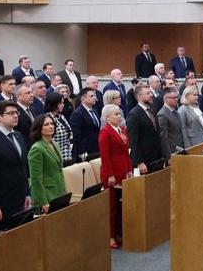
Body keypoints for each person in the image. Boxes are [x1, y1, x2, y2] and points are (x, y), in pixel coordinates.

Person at [98, 104, 132, 248]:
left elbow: (126, 152)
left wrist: (129, 169)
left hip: (123, 170)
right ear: (107, 118)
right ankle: (110, 236)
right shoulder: (105, 132)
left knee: (121, 204)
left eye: (119, 114)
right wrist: (110, 175)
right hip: (111, 173)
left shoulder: (121, 129)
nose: (119, 117)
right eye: (116, 114)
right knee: (112, 206)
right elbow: (105, 156)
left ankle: (119, 232)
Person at [28, 114, 66, 213]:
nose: (51, 126)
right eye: (46, 124)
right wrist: (43, 202)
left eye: (52, 124)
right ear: (39, 128)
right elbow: (36, 179)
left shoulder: (55, 144)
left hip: (59, 191)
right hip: (46, 195)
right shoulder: (37, 148)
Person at [126, 86, 163, 175]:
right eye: (148, 93)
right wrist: (139, 162)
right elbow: (133, 141)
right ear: (139, 96)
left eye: (151, 92)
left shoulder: (151, 110)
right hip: (145, 161)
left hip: (157, 158)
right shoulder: (134, 115)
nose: (151, 95)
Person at [69, 88, 101, 162]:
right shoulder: (77, 113)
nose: (94, 98)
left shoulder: (95, 111)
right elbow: (76, 134)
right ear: (83, 99)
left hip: (96, 147)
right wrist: (82, 151)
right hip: (84, 150)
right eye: (91, 96)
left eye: (94, 96)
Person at [156, 88, 184, 162]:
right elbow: (163, 138)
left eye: (177, 97)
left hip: (180, 150)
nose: (176, 99)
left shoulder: (176, 112)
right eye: (173, 98)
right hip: (172, 152)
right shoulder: (162, 114)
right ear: (166, 98)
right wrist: (169, 156)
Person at [44, 94, 73, 163]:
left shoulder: (61, 116)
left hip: (68, 155)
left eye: (63, 103)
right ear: (54, 104)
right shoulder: (47, 118)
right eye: (60, 103)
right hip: (56, 157)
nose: (63, 105)